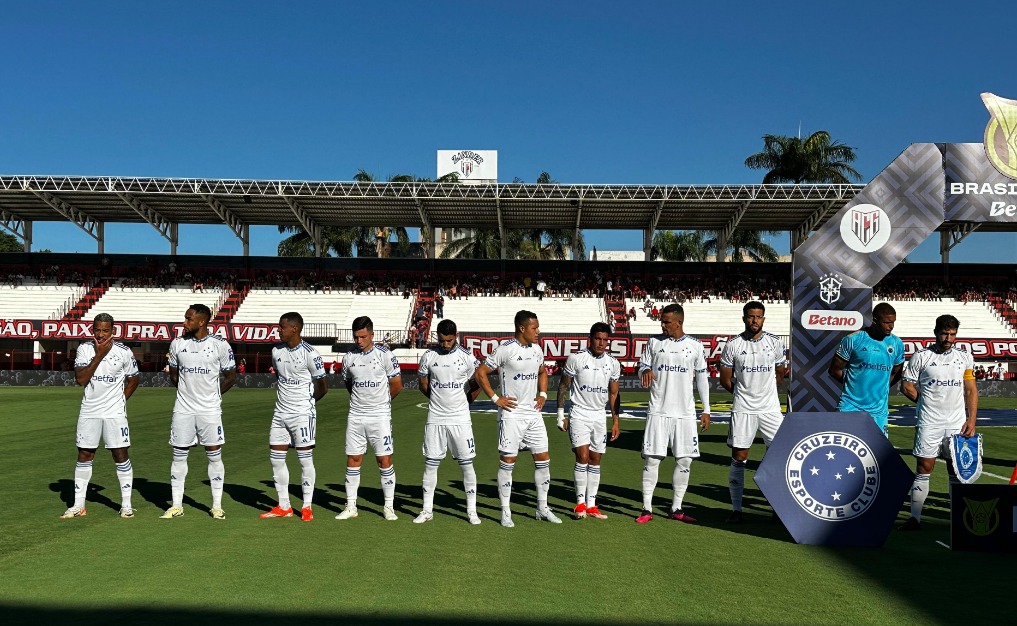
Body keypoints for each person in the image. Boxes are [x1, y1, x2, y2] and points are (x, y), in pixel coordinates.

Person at [474, 310, 561, 527]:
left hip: (533, 415)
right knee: (508, 462)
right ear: (522, 328)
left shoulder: (537, 350)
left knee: (543, 460)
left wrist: (542, 394)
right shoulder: (505, 350)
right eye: (534, 328)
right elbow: (481, 373)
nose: (538, 332)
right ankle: (505, 511)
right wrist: (495, 398)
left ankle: (542, 508)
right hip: (511, 415)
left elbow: (542, 372)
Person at [898, 315, 978, 531]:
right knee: (924, 467)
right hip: (929, 422)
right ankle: (915, 519)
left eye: (952, 334)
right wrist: (923, 401)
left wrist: (971, 419)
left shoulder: (965, 357)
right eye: (944, 333)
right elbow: (906, 386)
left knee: (957, 470)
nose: (948, 338)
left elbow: (970, 389)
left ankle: (958, 520)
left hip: (957, 424)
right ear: (936, 332)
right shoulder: (921, 356)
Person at [636, 303, 711, 524]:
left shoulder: (695, 346)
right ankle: (646, 508)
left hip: (685, 414)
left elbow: (702, 378)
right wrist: (645, 369)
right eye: (662, 321)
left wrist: (705, 409)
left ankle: (676, 507)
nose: (663, 325)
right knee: (652, 460)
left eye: (667, 322)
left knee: (685, 461)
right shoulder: (653, 342)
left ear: (679, 322)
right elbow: (641, 366)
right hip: (658, 410)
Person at [61, 313, 140, 519]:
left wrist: (121, 401)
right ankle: (79, 505)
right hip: (90, 410)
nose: (101, 334)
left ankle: (126, 505)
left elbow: (134, 379)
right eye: (97, 330)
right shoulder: (85, 349)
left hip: (115, 412)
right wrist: (99, 355)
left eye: (106, 330)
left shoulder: (124, 351)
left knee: (120, 454)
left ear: (113, 331)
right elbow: (80, 379)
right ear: (92, 329)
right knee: (85, 454)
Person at [162, 304, 237, 520]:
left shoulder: (220, 345)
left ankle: (216, 506)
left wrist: (214, 395)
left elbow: (231, 377)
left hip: (209, 410)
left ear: (202, 321)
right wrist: (188, 393)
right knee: (178, 456)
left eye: (188, 319)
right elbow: (174, 375)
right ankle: (176, 505)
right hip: (183, 409)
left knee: (214, 455)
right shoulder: (177, 343)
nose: (184, 322)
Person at [718, 301, 786, 523]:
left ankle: (777, 508)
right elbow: (726, 379)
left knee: (778, 456)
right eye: (750, 316)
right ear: (744, 318)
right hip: (744, 409)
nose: (754, 320)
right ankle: (737, 510)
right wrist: (743, 395)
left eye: (758, 316)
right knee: (739, 458)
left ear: (763, 319)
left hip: (770, 409)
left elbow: (780, 371)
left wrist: (767, 391)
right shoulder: (733, 345)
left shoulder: (775, 343)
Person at [260, 313, 328, 522]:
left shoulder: (311, 354)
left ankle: (306, 506)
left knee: (304, 460)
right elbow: (280, 378)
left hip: (302, 414)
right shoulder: (276, 351)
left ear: (294, 329)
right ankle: (284, 505)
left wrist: (305, 407)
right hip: (280, 413)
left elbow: (323, 387)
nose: (278, 330)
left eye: (281, 327)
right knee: (276, 459)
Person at [414, 319, 483, 524]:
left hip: (460, 419)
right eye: (442, 340)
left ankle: (471, 510)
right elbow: (423, 383)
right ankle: (427, 510)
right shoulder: (429, 356)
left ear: (456, 336)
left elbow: (478, 381)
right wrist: (437, 401)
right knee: (431, 463)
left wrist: (465, 401)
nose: (445, 344)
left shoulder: (467, 357)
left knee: (466, 464)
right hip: (435, 418)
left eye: (449, 340)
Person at [336, 316, 402, 521]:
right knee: (353, 459)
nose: (359, 341)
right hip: (356, 415)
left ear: (372, 334)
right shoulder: (348, 358)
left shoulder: (385, 355)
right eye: (356, 337)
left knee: (384, 460)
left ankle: (389, 507)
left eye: (363, 336)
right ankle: (351, 506)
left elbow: (397, 385)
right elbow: (349, 384)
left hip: (380, 416)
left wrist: (381, 403)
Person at [556, 322, 621, 519]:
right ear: (590, 339)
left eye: (605, 340)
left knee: (595, 459)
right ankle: (580, 504)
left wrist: (615, 420)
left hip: (599, 415)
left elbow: (614, 393)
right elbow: (563, 387)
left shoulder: (613, 363)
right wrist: (561, 415)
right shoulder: (576, 358)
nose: (601, 343)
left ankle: (592, 505)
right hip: (579, 413)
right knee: (582, 457)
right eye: (598, 339)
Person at [827, 302, 905, 437]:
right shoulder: (854, 339)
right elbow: (834, 370)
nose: (891, 326)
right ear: (875, 320)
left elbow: (896, 373)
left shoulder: (897, 344)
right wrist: (854, 386)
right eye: (887, 322)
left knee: (877, 456)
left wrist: (881, 388)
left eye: (893, 322)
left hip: (878, 412)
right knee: (844, 453)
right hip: (850, 407)